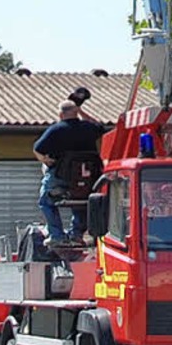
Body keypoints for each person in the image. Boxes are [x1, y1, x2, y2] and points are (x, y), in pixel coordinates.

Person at [33, 91, 108, 244]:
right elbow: (100, 127)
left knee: (45, 200)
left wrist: (45, 160)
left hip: (61, 179)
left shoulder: (56, 129)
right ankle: (77, 234)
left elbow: (38, 148)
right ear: (76, 113)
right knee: (80, 199)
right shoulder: (88, 128)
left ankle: (57, 235)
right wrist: (80, 111)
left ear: (61, 114)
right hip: (88, 180)